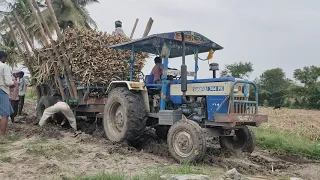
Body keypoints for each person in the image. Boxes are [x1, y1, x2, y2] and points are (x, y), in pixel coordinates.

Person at [0, 51, 14, 136]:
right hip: (2, 91)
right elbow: (8, 82)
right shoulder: (4, 66)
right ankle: (2, 136)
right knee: (4, 114)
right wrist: (13, 83)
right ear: (3, 57)